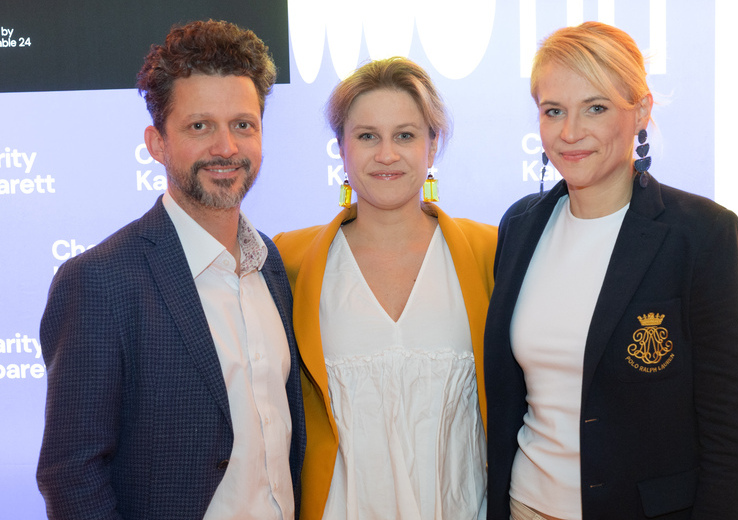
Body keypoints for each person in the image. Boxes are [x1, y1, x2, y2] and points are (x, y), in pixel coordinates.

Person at [484, 22, 738, 520]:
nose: (570, 132)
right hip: (526, 505)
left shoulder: (702, 235)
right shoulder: (519, 226)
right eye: (553, 111)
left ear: (641, 111)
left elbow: (732, 442)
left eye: (596, 107)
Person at [36, 20, 304, 520]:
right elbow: (71, 475)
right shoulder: (98, 282)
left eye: (242, 125)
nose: (226, 147)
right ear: (157, 143)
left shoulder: (271, 266)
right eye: (200, 126)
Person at [273, 56, 496, 519]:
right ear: (341, 147)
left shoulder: (489, 252)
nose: (387, 155)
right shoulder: (290, 261)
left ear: (433, 146)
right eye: (367, 136)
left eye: (406, 135)